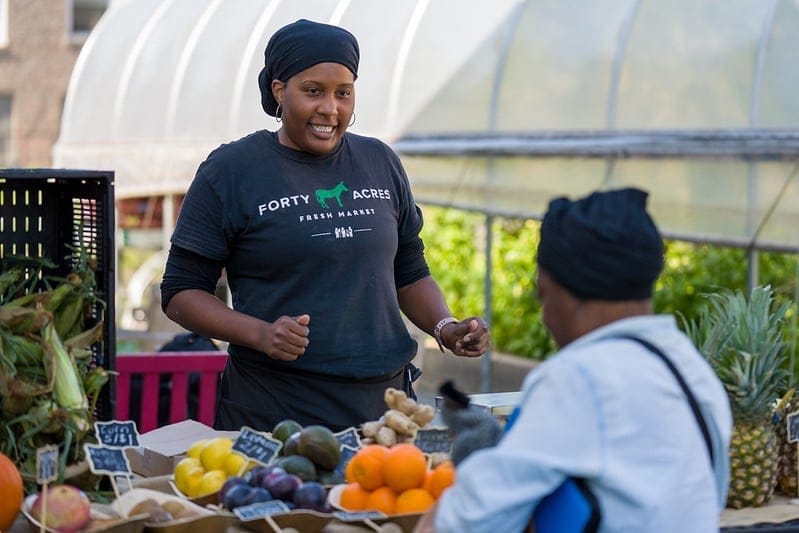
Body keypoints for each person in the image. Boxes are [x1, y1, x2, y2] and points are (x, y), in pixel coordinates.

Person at [159, 18, 489, 433]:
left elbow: (409, 271)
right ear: (280, 91)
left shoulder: (379, 162)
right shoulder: (231, 170)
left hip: (383, 408)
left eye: (343, 93)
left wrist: (445, 326)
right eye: (313, 91)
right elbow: (179, 293)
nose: (330, 109)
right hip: (275, 411)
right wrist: (261, 334)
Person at [415, 188, 732, 532]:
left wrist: (476, 470)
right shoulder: (691, 370)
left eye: (542, 293)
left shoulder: (580, 378)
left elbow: (464, 522)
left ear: (560, 290)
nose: (546, 317)